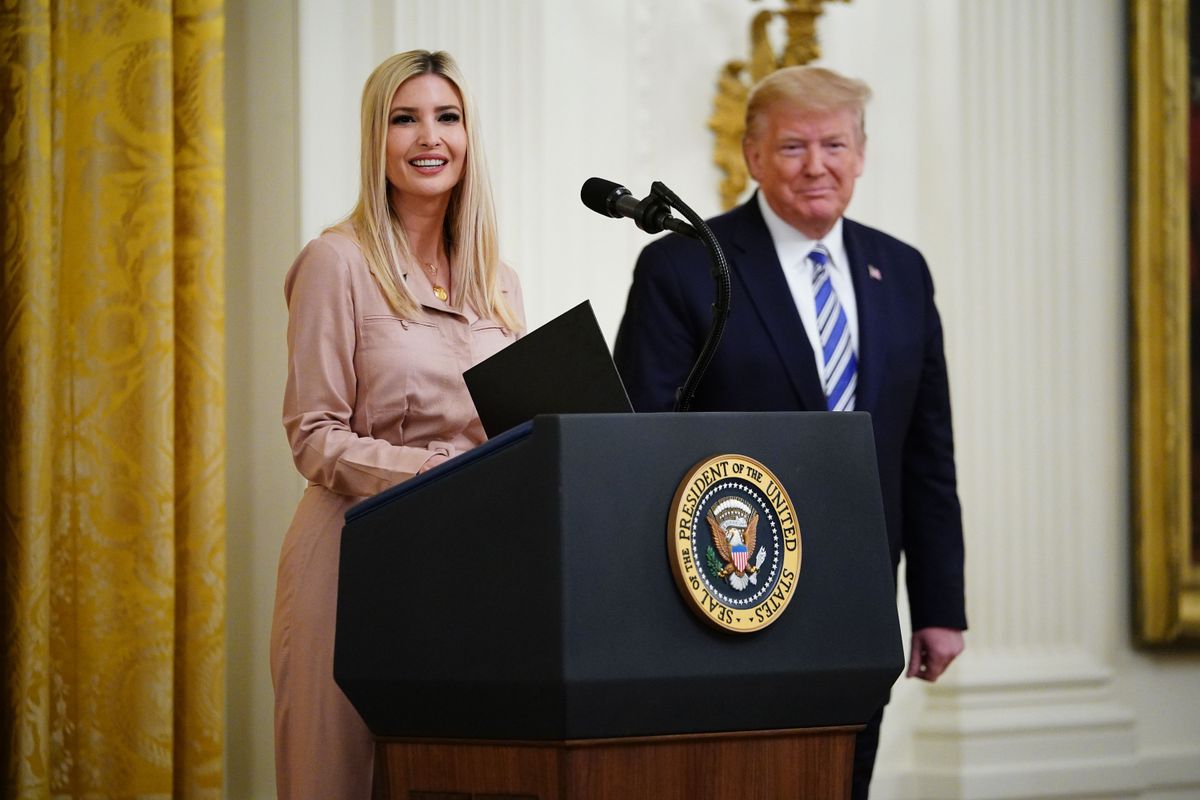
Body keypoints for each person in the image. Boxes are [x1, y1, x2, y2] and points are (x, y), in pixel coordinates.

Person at [613, 65, 966, 799]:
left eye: (834, 146)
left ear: (861, 155)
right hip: (727, 596)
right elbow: (637, 444)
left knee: (843, 782)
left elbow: (927, 450)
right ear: (752, 155)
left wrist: (938, 607)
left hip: (861, 597)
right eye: (794, 147)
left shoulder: (900, 271)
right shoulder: (684, 266)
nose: (816, 167)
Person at [270, 50, 524, 799]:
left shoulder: (500, 283)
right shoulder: (335, 261)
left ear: (469, 137)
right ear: (375, 140)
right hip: (352, 564)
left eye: (447, 117)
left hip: (461, 573)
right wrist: (435, 473)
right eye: (403, 118)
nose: (428, 136)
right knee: (339, 781)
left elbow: (513, 431)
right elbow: (313, 434)